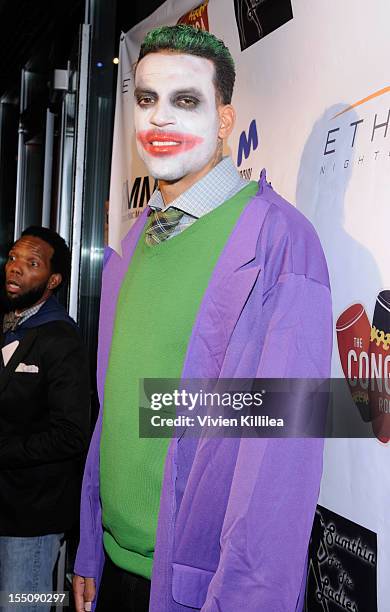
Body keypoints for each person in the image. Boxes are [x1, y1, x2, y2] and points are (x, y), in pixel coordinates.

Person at [73, 25, 332, 612]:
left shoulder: (280, 241)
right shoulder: (133, 243)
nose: (159, 119)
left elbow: (282, 451)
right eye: (145, 100)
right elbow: (115, 410)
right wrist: (90, 541)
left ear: (223, 120)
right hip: (113, 572)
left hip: (200, 590)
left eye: (184, 100)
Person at [0, 226, 90, 609]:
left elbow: (72, 433)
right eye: (14, 258)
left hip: (33, 518)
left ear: (53, 280)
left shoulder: (60, 338)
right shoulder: (8, 324)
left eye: (31, 263)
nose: (15, 269)